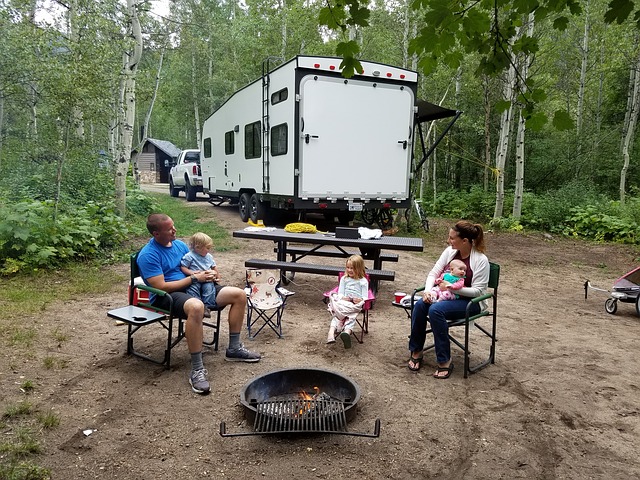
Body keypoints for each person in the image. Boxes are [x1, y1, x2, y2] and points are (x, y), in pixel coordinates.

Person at [136, 213, 260, 395]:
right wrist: (195, 278)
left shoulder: (178, 245)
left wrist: (211, 274)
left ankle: (234, 348)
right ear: (156, 233)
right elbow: (161, 286)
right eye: (170, 229)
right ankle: (197, 368)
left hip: (196, 286)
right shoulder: (148, 255)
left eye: (174, 225)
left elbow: (194, 263)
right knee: (196, 307)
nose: (174, 230)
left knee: (239, 294)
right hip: (167, 295)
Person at [408, 221, 489, 379]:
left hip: (470, 302)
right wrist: (427, 292)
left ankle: (445, 360)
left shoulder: (481, 260)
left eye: (452, 238)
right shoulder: (449, 252)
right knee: (419, 305)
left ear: (464, 240)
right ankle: (416, 350)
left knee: (435, 310)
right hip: (444, 296)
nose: (448, 241)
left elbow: (478, 291)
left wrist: (452, 288)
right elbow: (433, 273)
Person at [326, 255, 369, 349]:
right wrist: (343, 298)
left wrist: (361, 299)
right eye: (348, 268)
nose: (349, 270)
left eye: (352, 268)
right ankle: (334, 332)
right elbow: (340, 293)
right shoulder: (344, 279)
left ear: (359, 268)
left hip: (355, 305)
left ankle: (345, 333)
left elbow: (365, 296)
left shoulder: (363, 281)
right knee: (339, 313)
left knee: (351, 315)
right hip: (344, 303)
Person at [180, 232, 220, 311]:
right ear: (198, 248)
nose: (209, 250)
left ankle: (208, 305)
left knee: (209, 288)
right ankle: (197, 304)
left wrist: (217, 276)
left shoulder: (208, 256)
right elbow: (183, 267)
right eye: (207, 248)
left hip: (207, 278)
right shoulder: (189, 256)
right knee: (192, 289)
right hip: (195, 279)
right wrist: (191, 273)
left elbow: (214, 267)